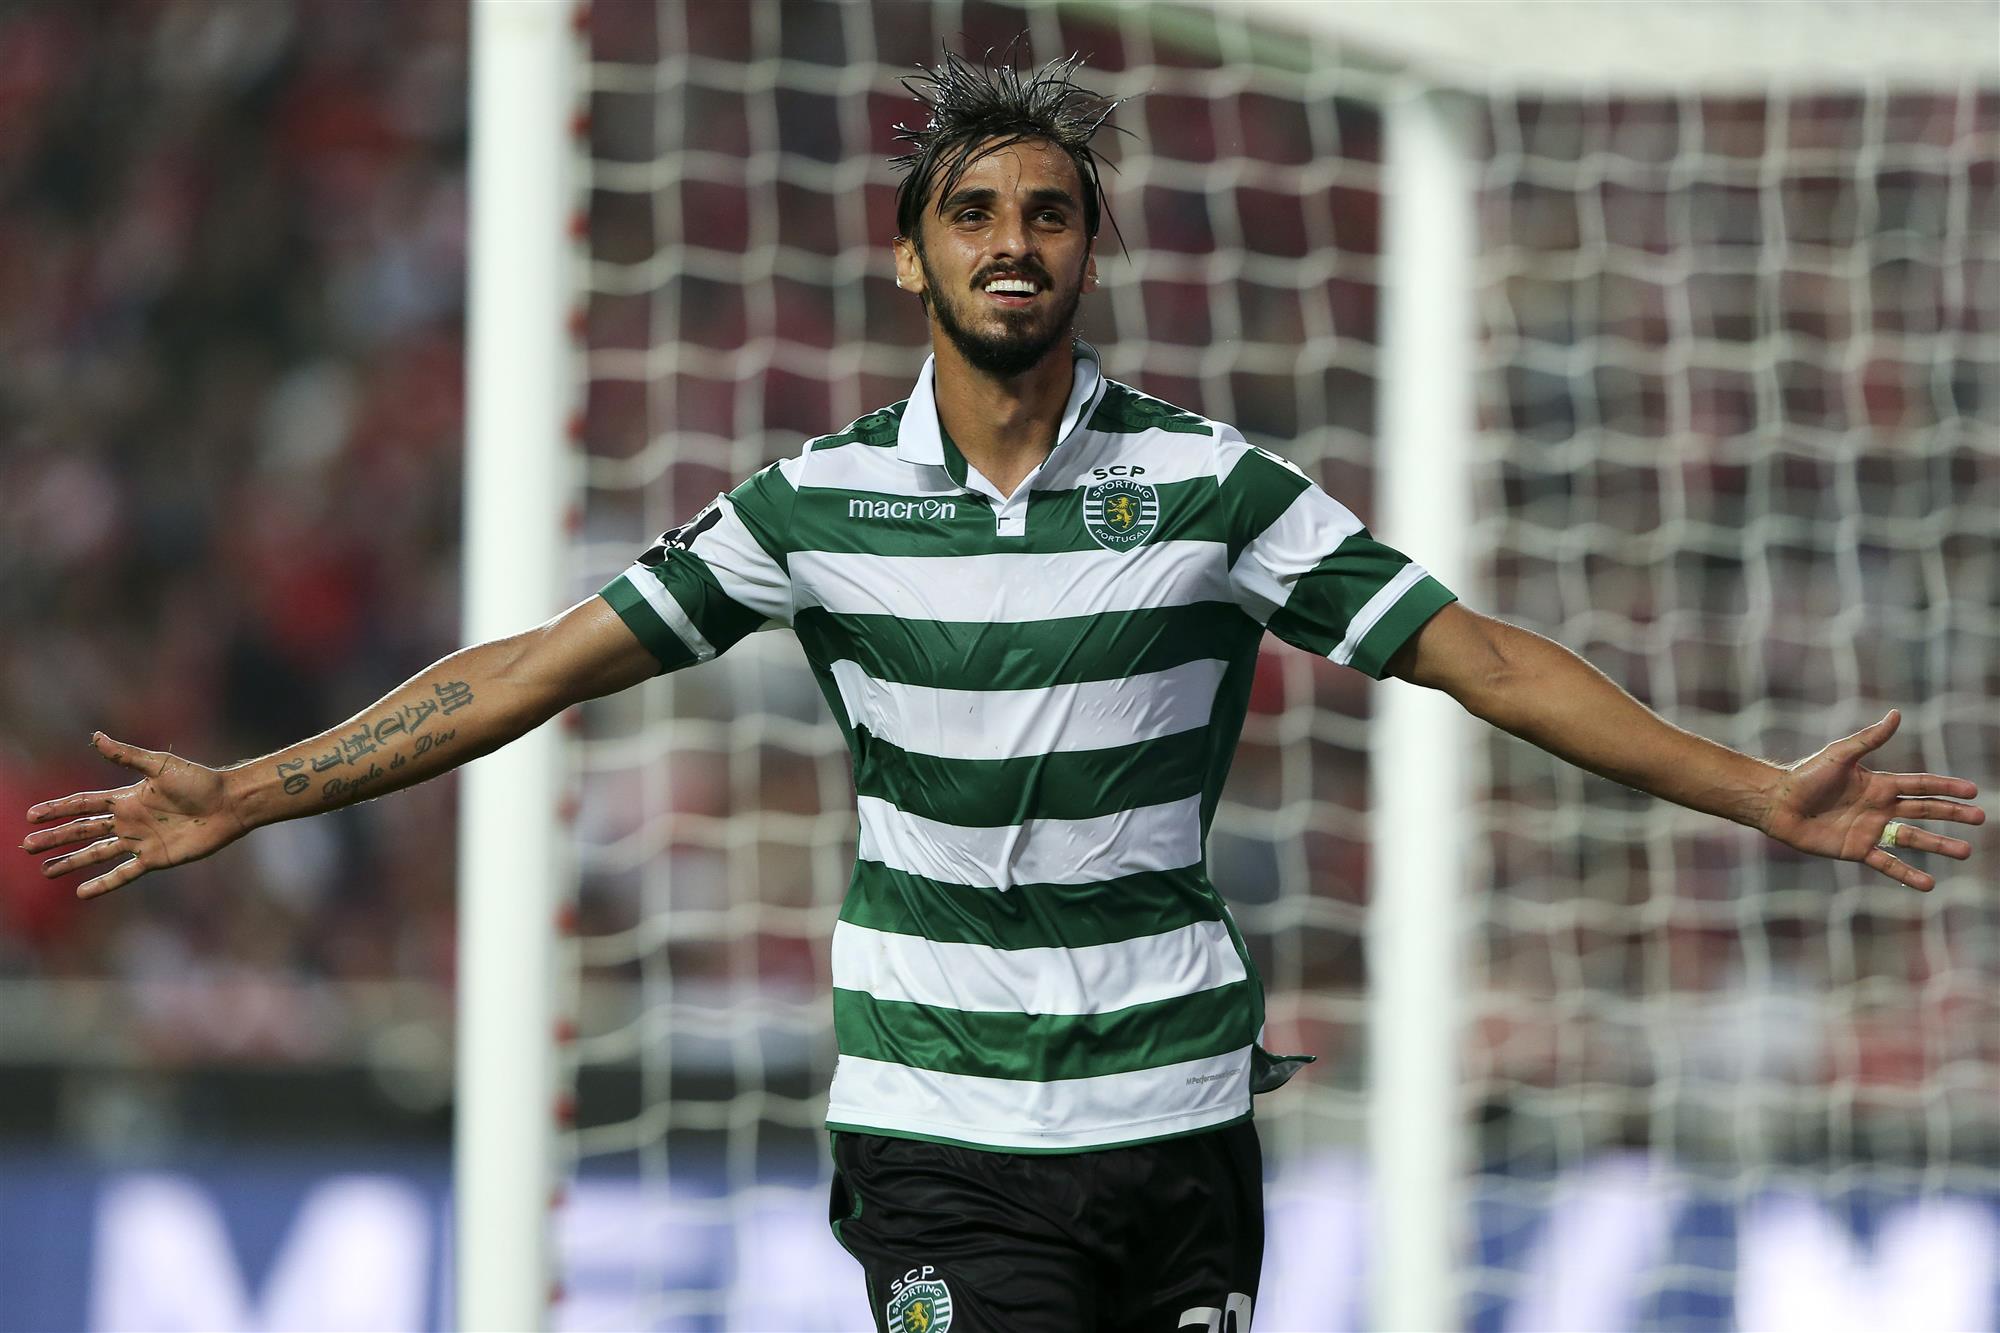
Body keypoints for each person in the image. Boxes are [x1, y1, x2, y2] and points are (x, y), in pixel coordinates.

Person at [19, 50, 1984, 1333]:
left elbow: (1474, 656)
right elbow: (534, 666)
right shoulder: (813, 508)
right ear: (907, 259)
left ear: (1092, 250)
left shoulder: (1215, 488)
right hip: (940, 1126)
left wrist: (1752, 789)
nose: (1012, 244)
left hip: (1177, 1112)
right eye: (974, 213)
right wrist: (259, 790)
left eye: (1047, 212)